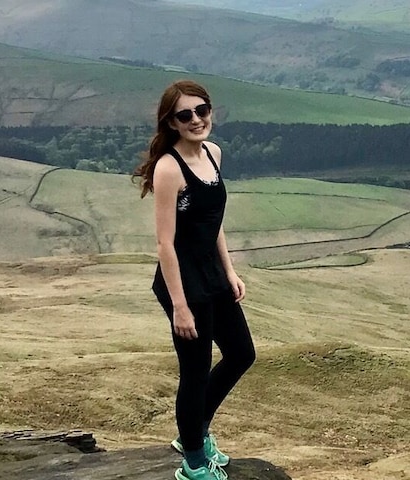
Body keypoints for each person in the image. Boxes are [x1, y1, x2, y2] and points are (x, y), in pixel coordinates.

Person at [133, 80, 255, 480]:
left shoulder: (213, 154)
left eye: (202, 110)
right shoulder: (169, 168)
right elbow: (165, 244)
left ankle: (196, 432)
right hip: (183, 281)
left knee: (241, 353)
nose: (196, 119)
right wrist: (180, 307)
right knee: (196, 370)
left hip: (212, 274)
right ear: (171, 122)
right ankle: (194, 464)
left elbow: (211, 222)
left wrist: (230, 269)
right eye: (185, 114)